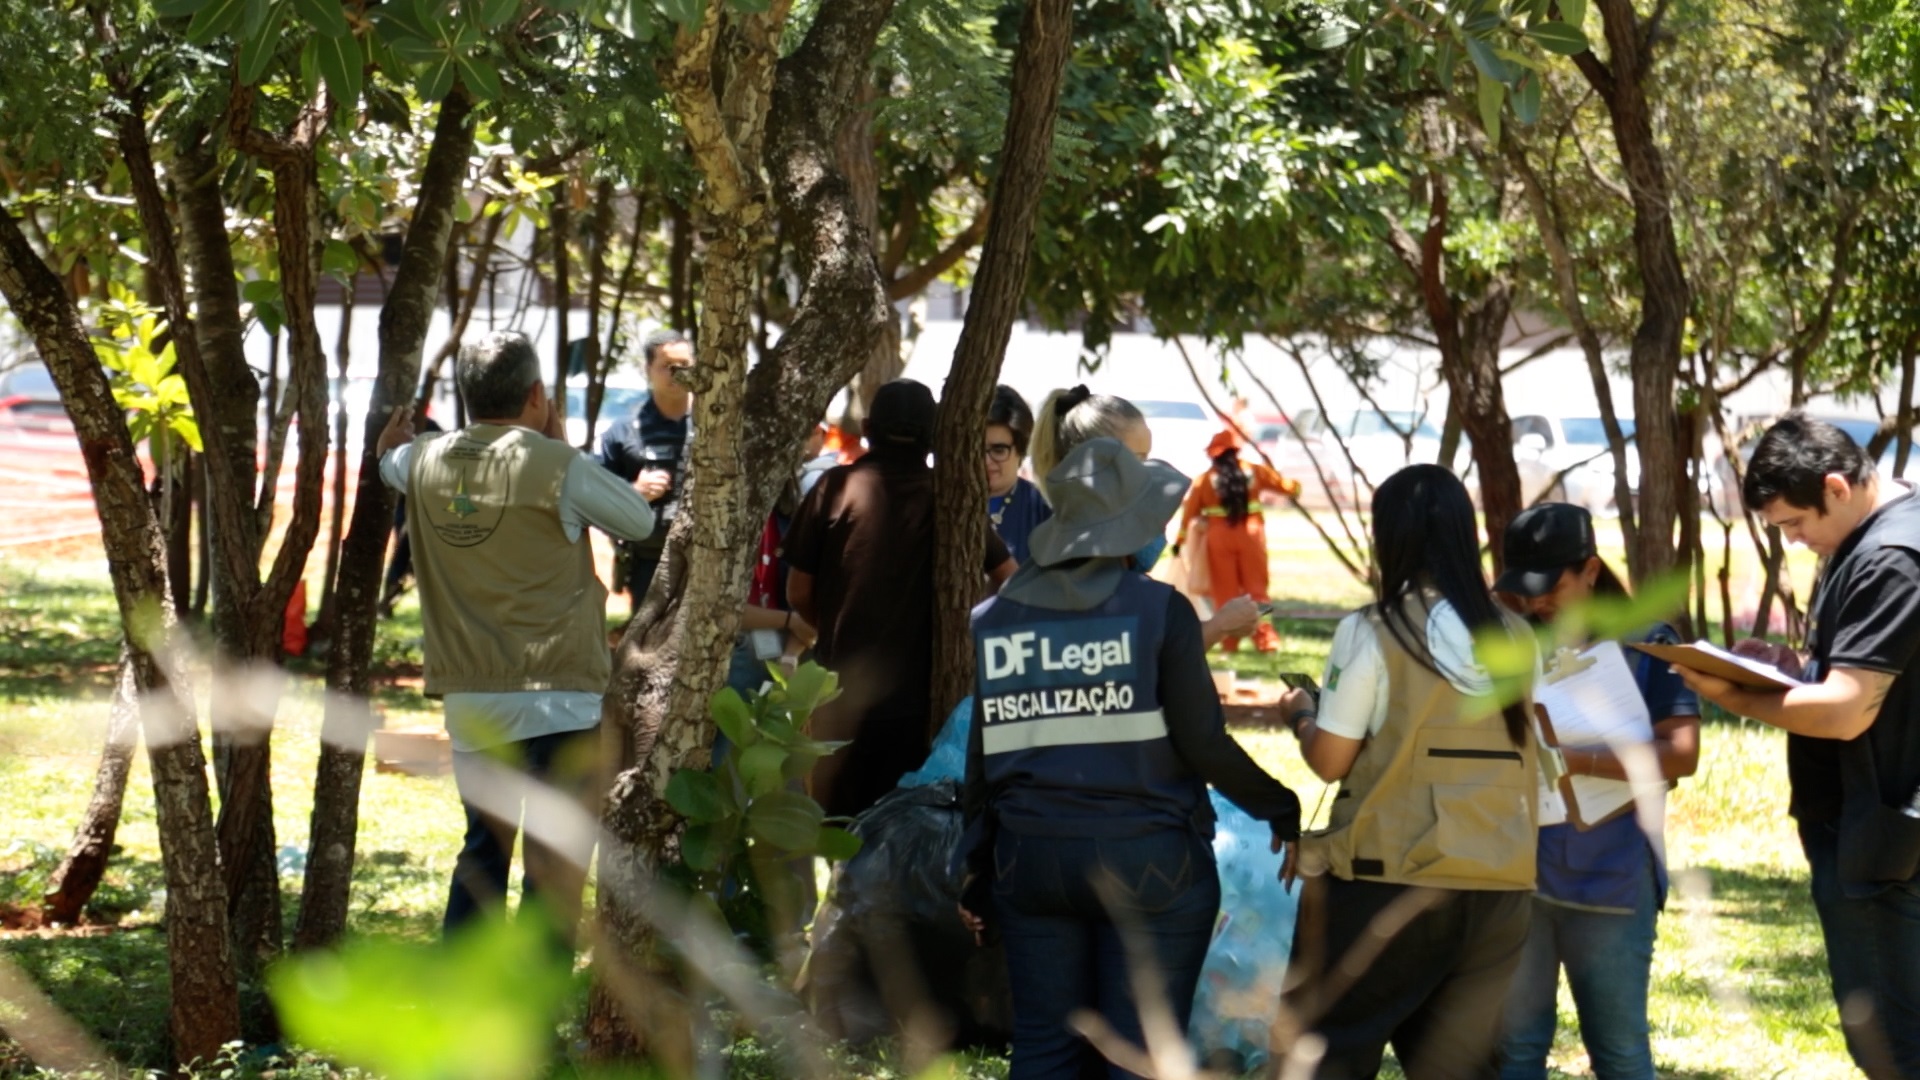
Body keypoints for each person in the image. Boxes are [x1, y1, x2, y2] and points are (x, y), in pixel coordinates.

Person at [957, 437, 1303, 1080]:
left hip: (1029, 863)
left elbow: (983, 759)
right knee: (1140, 1056)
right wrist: (1281, 807)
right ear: (1127, 530)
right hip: (1151, 869)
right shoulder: (1159, 611)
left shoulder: (993, 620)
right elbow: (1203, 744)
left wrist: (975, 868)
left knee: (1044, 1048)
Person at [373, 330, 655, 941]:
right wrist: (558, 444)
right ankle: (534, 1013)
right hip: (563, 694)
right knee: (554, 866)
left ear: (468, 396)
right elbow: (639, 519)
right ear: (536, 394)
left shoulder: (422, 461)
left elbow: (392, 463)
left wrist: (388, 447)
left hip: (474, 698)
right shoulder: (558, 465)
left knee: (481, 855)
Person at [1671, 413, 1920, 1077]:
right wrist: (1785, 667)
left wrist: (1732, 696)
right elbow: (1871, 678)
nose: (1798, 542)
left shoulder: (1891, 557)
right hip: (1877, 830)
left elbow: (1844, 712)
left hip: (1884, 842)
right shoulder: (1879, 534)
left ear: (1837, 486)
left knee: (1895, 1045)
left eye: (1794, 525)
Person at [1280, 464, 1541, 1080]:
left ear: (1388, 537)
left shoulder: (1374, 629)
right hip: (1500, 884)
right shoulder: (1518, 634)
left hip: (1388, 881)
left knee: (1326, 1052)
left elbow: (1331, 761)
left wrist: (1301, 715)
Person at [1491, 504, 1700, 1080]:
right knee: (1516, 1049)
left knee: (1618, 1053)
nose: (1537, 603)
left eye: (1550, 586)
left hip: (1613, 879)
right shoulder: (1513, 640)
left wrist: (1575, 760)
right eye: (1523, 589)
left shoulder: (1649, 643)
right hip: (1521, 874)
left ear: (1589, 570)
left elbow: (1681, 753)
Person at [786, 379, 1018, 818]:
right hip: (925, 700)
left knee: (842, 837)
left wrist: (834, 627)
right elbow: (1010, 579)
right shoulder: (950, 498)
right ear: (935, 436)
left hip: (842, 695)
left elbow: (797, 591)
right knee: (908, 834)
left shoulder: (834, 488)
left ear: (869, 428)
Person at [1032, 386, 1260, 650]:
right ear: (1093, 468)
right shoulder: (1119, 593)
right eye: (1136, 462)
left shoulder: (1039, 573)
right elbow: (1147, 658)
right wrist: (1217, 627)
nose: (1146, 478)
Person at [1175, 430, 1301, 653]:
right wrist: (1296, 486)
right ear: (1236, 451)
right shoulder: (1253, 470)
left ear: (1213, 454)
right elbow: (1286, 486)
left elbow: (1190, 513)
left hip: (1218, 538)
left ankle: (1229, 642)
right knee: (1257, 590)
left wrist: (1180, 540)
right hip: (1251, 535)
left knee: (1225, 592)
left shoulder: (1204, 480)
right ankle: (1266, 640)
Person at [597, 329, 694, 607]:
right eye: (667, 366)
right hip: (648, 563)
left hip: (707, 561)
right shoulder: (625, 431)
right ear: (648, 369)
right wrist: (634, 492)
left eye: (684, 366)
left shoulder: (714, 426)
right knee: (649, 646)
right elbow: (596, 498)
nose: (676, 373)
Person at [985, 385, 1053, 565]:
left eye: (998, 450)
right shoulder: (941, 503)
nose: (985, 461)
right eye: (975, 449)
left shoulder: (1043, 509)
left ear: (1020, 450)